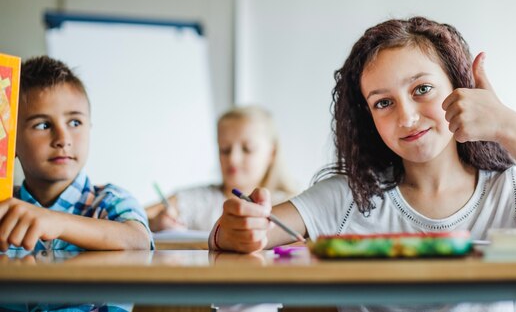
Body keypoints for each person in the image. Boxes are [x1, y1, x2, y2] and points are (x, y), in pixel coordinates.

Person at [210, 16, 516, 310]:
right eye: (383, 103)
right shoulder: (350, 198)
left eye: (422, 89)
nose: (406, 117)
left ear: (461, 90)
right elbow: (239, 236)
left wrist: (509, 126)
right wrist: (237, 228)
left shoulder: (509, 195)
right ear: (368, 119)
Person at [0, 56, 152, 311]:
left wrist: (56, 221)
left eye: (75, 122)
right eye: (43, 124)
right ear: (10, 140)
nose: (63, 138)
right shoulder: (4, 209)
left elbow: (138, 241)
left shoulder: (110, 200)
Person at [147, 105, 297, 232]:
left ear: (272, 153)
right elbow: (134, 217)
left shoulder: (289, 205)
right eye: (225, 149)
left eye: (247, 149)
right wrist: (154, 223)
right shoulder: (197, 200)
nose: (233, 158)